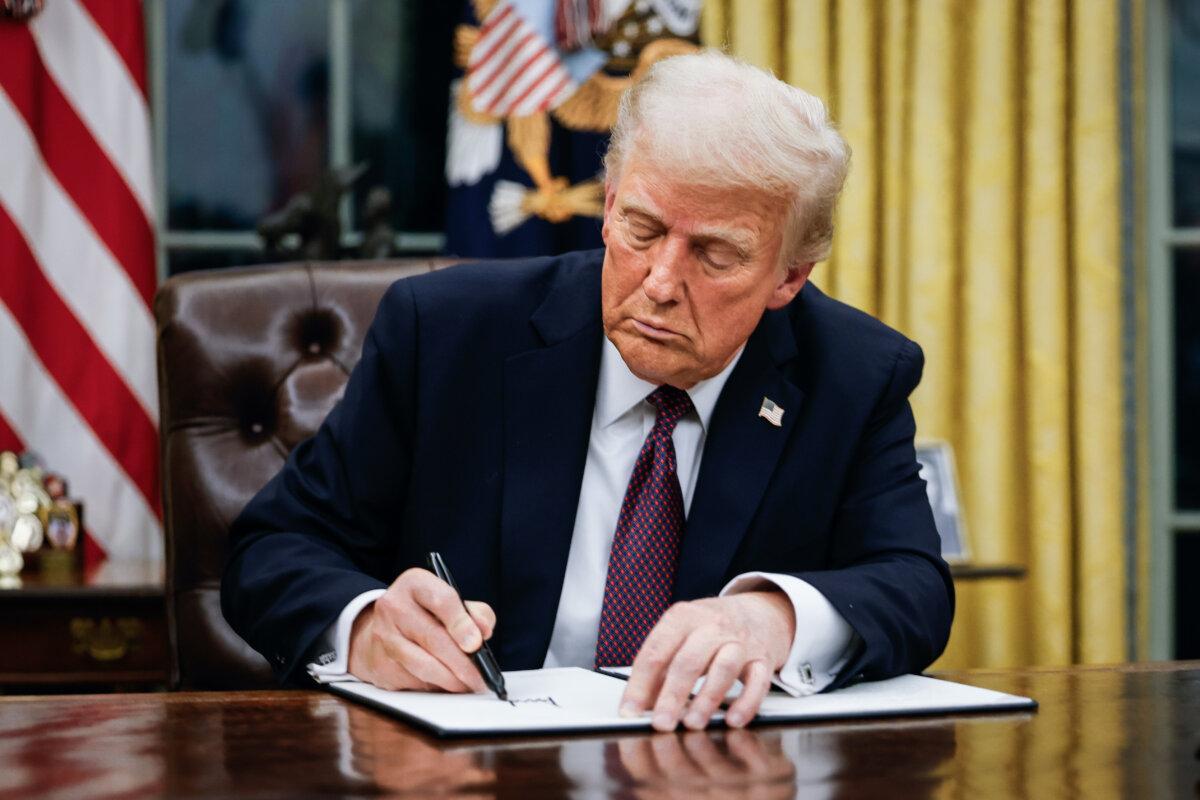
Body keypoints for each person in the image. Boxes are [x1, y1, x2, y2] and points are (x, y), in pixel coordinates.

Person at [222, 50, 954, 732]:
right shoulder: (447, 335)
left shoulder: (853, 375)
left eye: (716, 253)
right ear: (607, 207)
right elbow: (273, 548)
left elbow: (914, 585)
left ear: (789, 277)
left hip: (713, 770)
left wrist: (774, 621)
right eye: (642, 228)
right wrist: (368, 625)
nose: (662, 284)